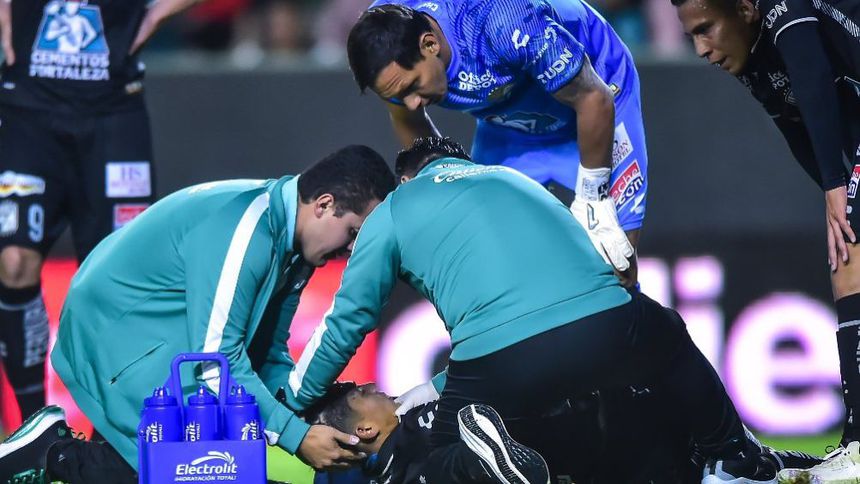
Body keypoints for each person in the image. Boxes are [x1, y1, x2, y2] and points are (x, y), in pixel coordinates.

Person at [283, 136, 785, 484]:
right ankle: (736, 458)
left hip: (499, 360)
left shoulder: (396, 209)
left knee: (439, 456)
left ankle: (478, 463)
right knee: (668, 339)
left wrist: (288, 410)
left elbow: (347, 323)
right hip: (606, 325)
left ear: (407, 180)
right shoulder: (511, 179)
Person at [0, 146, 396, 484]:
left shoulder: (292, 246)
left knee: (213, 449)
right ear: (324, 204)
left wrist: (303, 419)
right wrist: (295, 436)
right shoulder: (250, 231)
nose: (352, 249)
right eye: (353, 233)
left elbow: (268, 351)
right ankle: (52, 453)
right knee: (198, 463)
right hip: (114, 329)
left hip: (147, 332)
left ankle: (62, 454)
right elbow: (212, 363)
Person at [668, 0, 860, 479]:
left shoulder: (783, 9)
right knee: (847, 256)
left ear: (745, 9)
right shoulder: (752, 61)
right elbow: (793, 125)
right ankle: (855, 441)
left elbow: (813, 79)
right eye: (692, 37)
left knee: (848, 254)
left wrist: (836, 188)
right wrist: (834, 195)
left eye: (706, 28)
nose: (701, 49)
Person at [0, 0, 211, 424]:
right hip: (27, 111)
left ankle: (110, 428)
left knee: (119, 280)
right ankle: (34, 425)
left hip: (113, 114)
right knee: (13, 261)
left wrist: (159, 12)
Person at [346, 0, 645, 286]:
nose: (411, 103)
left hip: (598, 91)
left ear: (430, 44)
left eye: (413, 86)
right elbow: (410, 122)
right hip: (508, 124)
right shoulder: (384, 41)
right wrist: (445, 193)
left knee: (616, 262)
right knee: (494, 257)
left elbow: (593, 98)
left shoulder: (505, 20)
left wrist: (594, 197)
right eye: (398, 95)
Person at [303, 381, 824, 484]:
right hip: (575, 438)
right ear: (364, 427)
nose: (374, 386)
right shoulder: (413, 424)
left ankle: (784, 466)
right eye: (362, 392)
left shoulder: (419, 411)